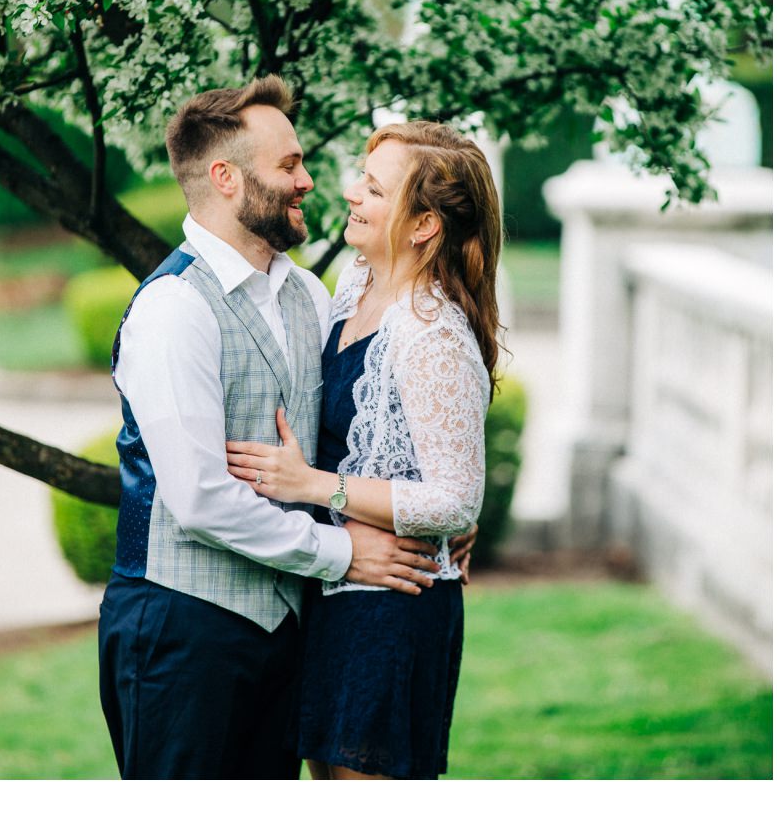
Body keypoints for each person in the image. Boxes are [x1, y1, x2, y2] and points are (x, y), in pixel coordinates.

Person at [99, 76, 445, 781]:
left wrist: (435, 507)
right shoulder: (174, 310)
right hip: (181, 636)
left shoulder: (308, 297)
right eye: (288, 165)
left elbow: (348, 433)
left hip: (285, 637)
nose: (308, 180)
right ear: (226, 178)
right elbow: (198, 500)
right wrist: (342, 551)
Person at [230, 120, 498, 780]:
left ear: (423, 226)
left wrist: (314, 485)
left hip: (392, 611)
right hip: (337, 591)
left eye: (375, 189)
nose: (352, 191)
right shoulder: (356, 289)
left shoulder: (431, 330)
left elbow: (456, 499)